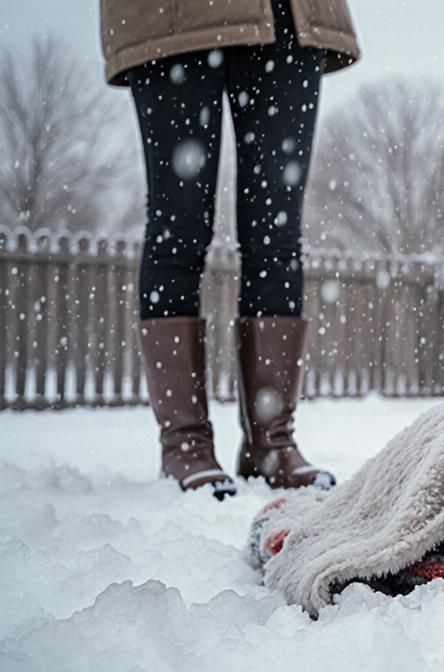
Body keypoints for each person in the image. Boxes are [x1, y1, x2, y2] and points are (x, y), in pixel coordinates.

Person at [100, 0, 360, 497]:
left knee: (277, 236)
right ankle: (185, 443)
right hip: (175, 18)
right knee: (179, 227)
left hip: (293, 18)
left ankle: (271, 441)